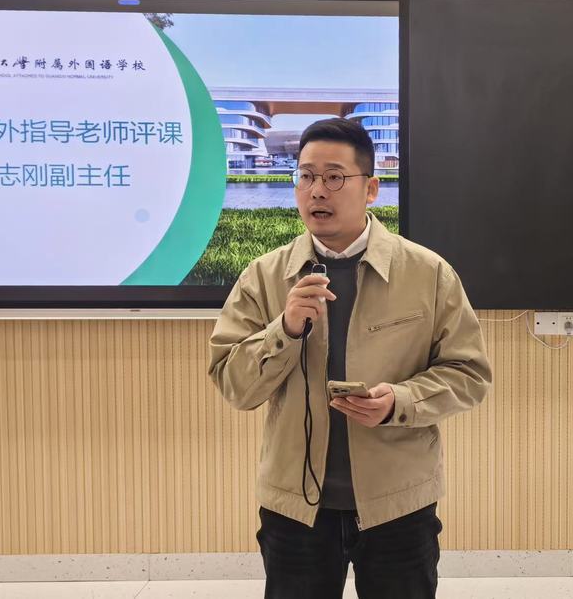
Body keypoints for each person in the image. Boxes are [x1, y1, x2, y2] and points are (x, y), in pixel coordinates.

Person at [208, 118, 492, 599]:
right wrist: (285, 329)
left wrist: (400, 401)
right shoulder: (264, 276)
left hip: (397, 504)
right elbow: (234, 384)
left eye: (334, 177)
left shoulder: (427, 273)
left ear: (371, 189)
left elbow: (470, 374)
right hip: (295, 507)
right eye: (306, 176)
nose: (317, 190)